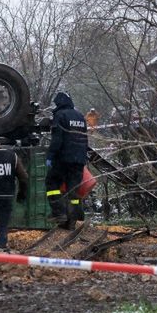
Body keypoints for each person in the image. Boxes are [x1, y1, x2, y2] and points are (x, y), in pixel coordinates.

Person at [46, 90, 90, 229]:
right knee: (74, 191)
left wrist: (50, 156)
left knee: (52, 184)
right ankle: (72, 221)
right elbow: (84, 139)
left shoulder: (60, 115)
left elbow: (57, 139)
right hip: (79, 160)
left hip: (63, 159)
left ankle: (59, 213)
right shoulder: (80, 117)